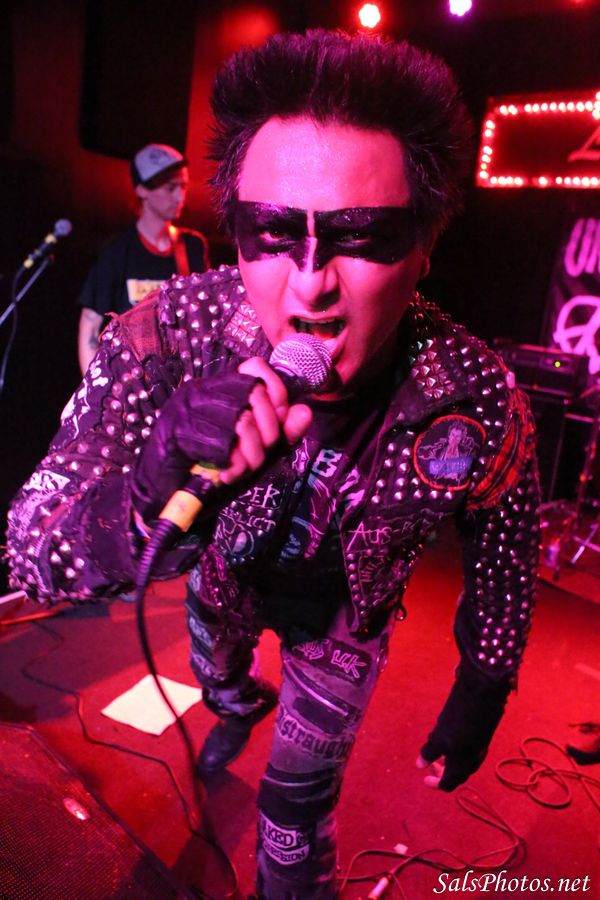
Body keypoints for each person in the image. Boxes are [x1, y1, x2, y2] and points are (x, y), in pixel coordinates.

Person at [6, 30, 540, 899]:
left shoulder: (471, 394)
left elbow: (506, 537)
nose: (310, 283)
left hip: (344, 623)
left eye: (360, 237)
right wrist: (142, 495)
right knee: (222, 681)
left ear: (423, 248)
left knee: (296, 812)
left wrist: (485, 676)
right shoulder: (171, 336)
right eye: (271, 232)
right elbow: (33, 548)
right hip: (220, 588)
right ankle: (233, 699)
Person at [77, 142, 209, 374]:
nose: (180, 197)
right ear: (142, 190)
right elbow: (90, 328)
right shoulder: (116, 252)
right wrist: (96, 389)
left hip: (181, 382)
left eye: (183, 186)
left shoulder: (192, 247)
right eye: (170, 188)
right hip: (130, 382)